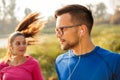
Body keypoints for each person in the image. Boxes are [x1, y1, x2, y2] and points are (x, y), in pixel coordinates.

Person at [54, 4, 120, 80]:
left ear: (82, 30)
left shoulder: (114, 62)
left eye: (62, 29)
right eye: (57, 30)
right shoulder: (60, 62)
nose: (58, 35)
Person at [0, 13, 45, 80]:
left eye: (24, 43)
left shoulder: (33, 64)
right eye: (18, 44)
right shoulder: (2, 65)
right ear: (11, 46)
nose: (22, 46)